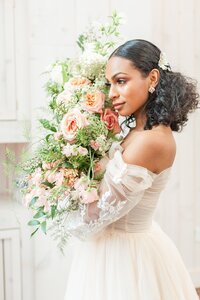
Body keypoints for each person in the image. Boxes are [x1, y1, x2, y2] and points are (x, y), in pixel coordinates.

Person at [64, 39, 199, 300]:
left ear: (152, 78)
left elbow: (91, 219)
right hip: (111, 248)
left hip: (126, 258)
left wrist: (64, 189)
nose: (112, 92)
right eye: (109, 84)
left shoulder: (151, 141)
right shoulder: (138, 131)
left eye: (121, 81)